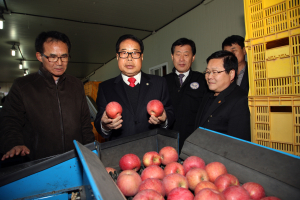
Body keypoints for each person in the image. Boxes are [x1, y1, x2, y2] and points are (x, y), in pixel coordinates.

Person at [0, 31, 95, 162]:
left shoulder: (76, 85)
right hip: (39, 164)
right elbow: (10, 121)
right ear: (39, 56)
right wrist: (14, 144)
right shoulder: (23, 86)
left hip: (74, 161)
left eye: (64, 56)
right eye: (52, 57)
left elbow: (85, 124)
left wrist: (91, 153)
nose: (59, 63)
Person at [94, 34, 175, 140]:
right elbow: (99, 120)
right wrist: (105, 126)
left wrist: (164, 120)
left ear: (142, 56)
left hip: (152, 150)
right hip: (119, 151)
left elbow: (170, 112)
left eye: (135, 53)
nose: (129, 58)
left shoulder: (159, 83)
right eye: (124, 53)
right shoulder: (105, 87)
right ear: (117, 56)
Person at [194, 50, 251, 141]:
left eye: (215, 72)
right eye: (208, 72)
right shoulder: (207, 95)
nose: (209, 77)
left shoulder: (240, 100)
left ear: (231, 74)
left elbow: (237, 144)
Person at [164, 38, 207, 152]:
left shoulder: (203, 80)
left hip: (194, 142)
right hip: (167, 142)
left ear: (193, 57)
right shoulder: (162, 82)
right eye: (178, 54)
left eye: (186, 55)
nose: (181, 59)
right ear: (172, 56)